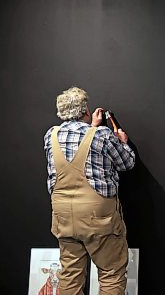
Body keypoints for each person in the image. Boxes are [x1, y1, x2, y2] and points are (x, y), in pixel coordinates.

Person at [43, 86, 135, 295]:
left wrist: (90, 126)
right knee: (111, 273)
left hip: (64, 217)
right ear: (85, 110)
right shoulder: (102, 135)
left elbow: (76, 145)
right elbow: (127, 163)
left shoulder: (51, 135)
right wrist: (123, 142)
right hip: (98, 218)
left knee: (70, 276)